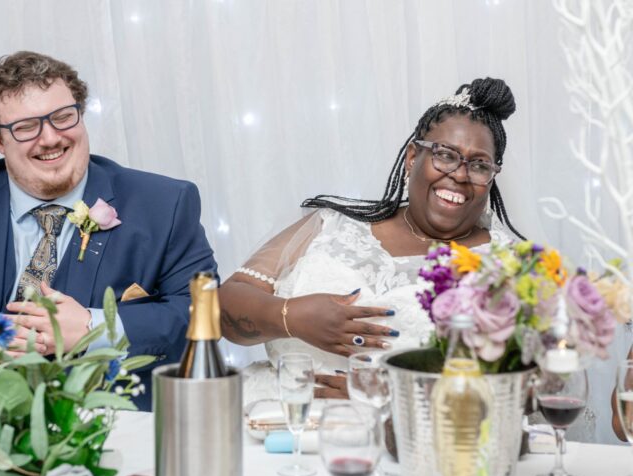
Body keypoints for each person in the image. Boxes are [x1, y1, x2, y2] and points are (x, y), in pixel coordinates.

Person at [0, 51, 217, 411]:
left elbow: (201, 312)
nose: (50, 138)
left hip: (107, 423)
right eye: (27, 127)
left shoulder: (165, 203)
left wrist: (97, 327)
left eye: (63, 117)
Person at [219, 77, 523, 404]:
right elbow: (224, 306)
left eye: (479, 165)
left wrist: (396, 398)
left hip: (410, 444)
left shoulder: (508, 264)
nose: (460, 175)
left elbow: (522, 388)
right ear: (411, 158)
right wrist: (290, 316)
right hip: (274, 425)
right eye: (445, 155)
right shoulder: (330, 224)